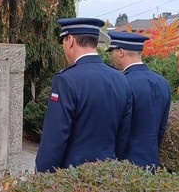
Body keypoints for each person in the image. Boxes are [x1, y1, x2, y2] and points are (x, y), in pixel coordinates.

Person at [35, 18, 132, 172]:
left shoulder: (66, 80)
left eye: (63, 43)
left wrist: (41, 177)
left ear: (70, 40)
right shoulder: (120, 78)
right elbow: (123, 135)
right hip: (107, 173)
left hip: (73, 176)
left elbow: (54, 140)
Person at [106, 31, 171, 169]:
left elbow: (119, 128)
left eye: (113, 51)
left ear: (121, 52)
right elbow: (161, 128)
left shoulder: (122, 83)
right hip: (151, 160)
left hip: (126, 163)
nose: (112, 56)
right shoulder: (162, 82)